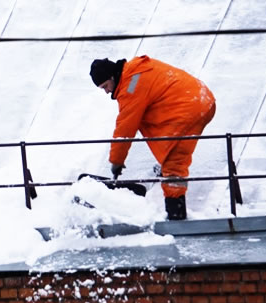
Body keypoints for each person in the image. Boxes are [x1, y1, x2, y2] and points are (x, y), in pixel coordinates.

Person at [90, 56, 216, 221]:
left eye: (105, 86)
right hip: (200, 98)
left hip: (189, 107)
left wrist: (116, 161)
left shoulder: (131, 87)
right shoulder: (135, 71)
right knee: (158, 132)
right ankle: (169, 186)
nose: (106, 91)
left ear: (112, 77)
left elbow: (125, 127)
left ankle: (176, 214)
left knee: (174, 162)